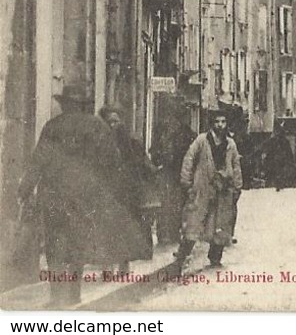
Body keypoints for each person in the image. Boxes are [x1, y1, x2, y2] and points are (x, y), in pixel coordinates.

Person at [17, 84, 131, 305]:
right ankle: (73, 294)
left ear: (65, 105)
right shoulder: (97, 127)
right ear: (82, 106)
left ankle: (56, 296)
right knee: (77, 244)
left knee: (54, 245)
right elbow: (113, 162)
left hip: (53, 197)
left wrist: (25, 189)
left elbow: (38, 160)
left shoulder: (52, 126)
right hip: (84, 197)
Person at [175, 111, 243, 268]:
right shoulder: (202, 141)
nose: (220, 125)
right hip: (203, 187)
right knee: (194, 221)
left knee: (221, 223)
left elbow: (236, 166)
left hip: (223, 189)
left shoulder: (230, 144)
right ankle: (182, 254)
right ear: (212, 123)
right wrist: (186, 181)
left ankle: (215, 257)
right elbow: (189, 158)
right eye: (217, 121)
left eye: (223, 122)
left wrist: (237, 187)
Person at [99, 106, 157, 264]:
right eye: (109, 122)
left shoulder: (132, 142)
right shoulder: (102, 142)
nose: (113, 126)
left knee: (135, 221)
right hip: (112, 189)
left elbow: (143, 164)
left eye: (115, 122)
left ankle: (138, 254)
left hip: (131, 188)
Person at [151, 99, 195, 245]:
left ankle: (165, 233)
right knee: (174, 203)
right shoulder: (183, 131)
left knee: (167, 203)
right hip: (173, 171)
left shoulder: (163, 128)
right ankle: (170, 233)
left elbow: (155, 149)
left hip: (170, 171)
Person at [264, 122, 296, 191]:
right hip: (280, 159)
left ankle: (277, 183)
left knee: (277, 172)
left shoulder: (274, 140)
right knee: (279, 172)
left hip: (277, 159)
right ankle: (279, 183)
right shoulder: (283, 140)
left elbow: (269, 151)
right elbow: (288, 152)